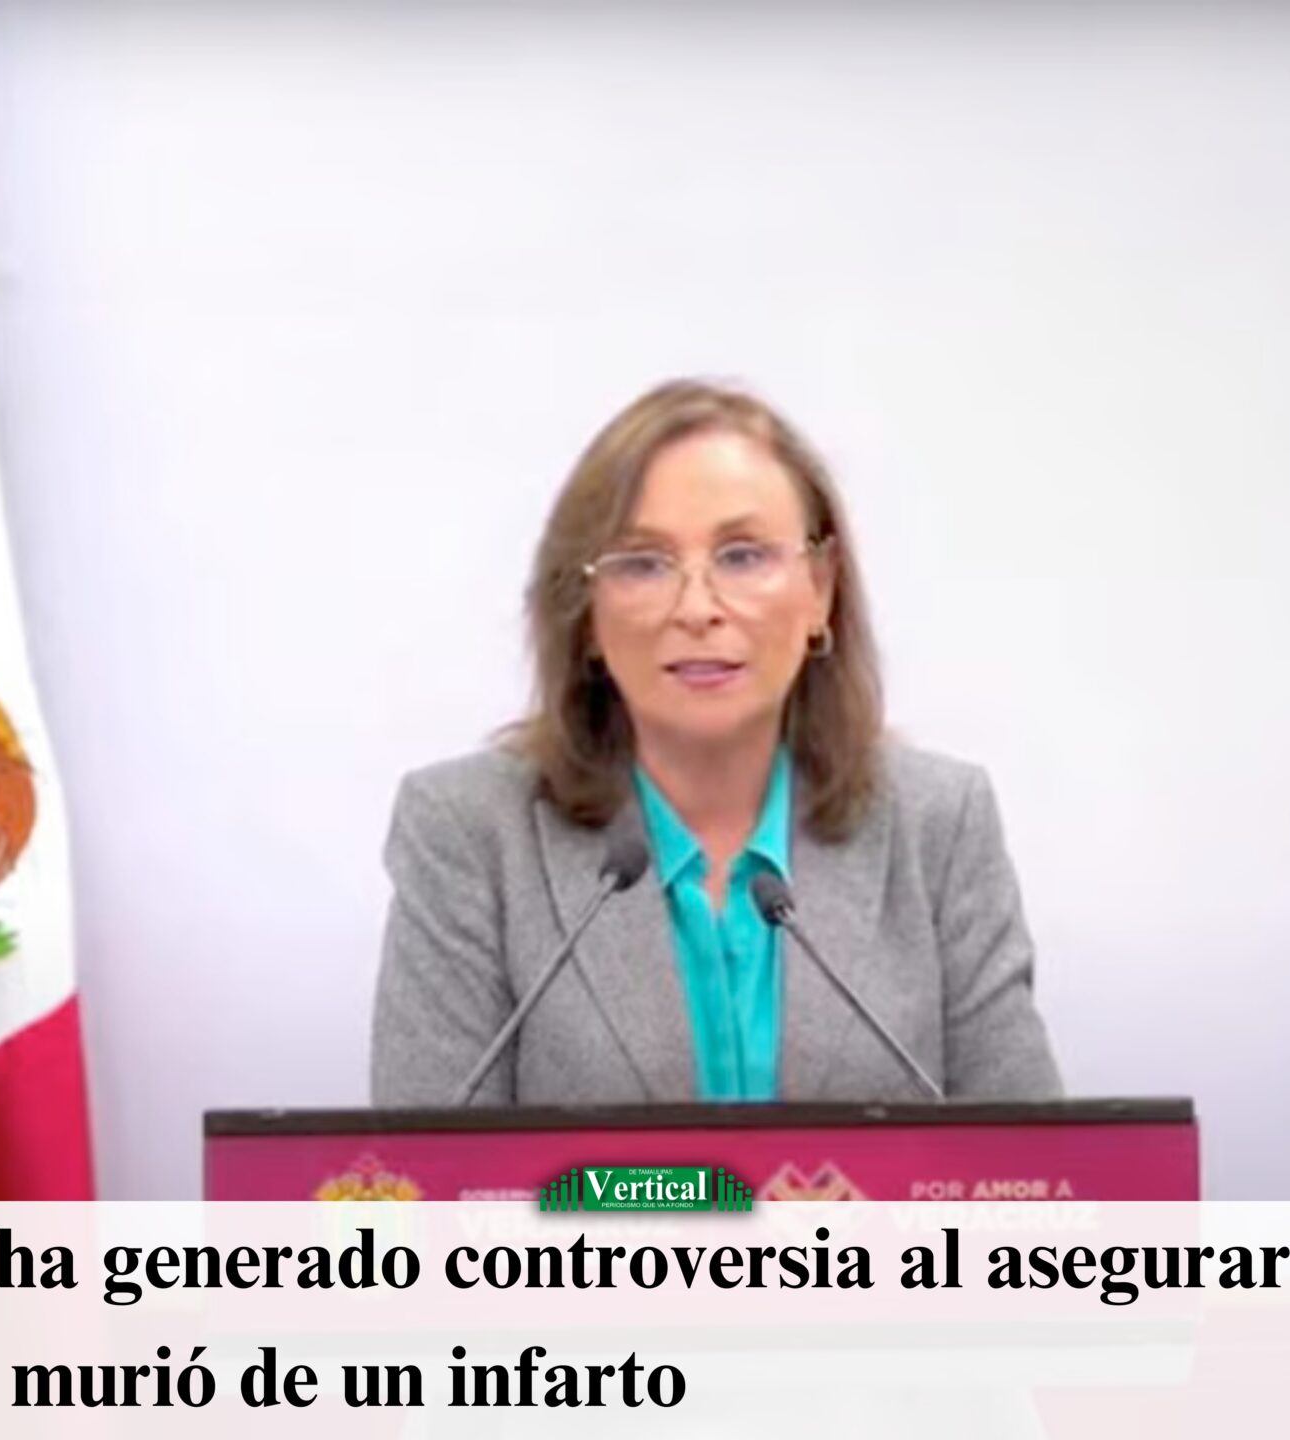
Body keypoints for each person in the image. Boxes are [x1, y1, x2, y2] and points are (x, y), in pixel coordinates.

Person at [370, 379, 1062, 1106]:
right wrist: (690, 1179)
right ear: (586, 611)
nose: (697, 609)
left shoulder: (939, 823)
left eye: (742, 556)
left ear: (820, 588)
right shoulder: (469, 832)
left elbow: (1031, 1162)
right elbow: (432, 1171)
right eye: (643, 562)